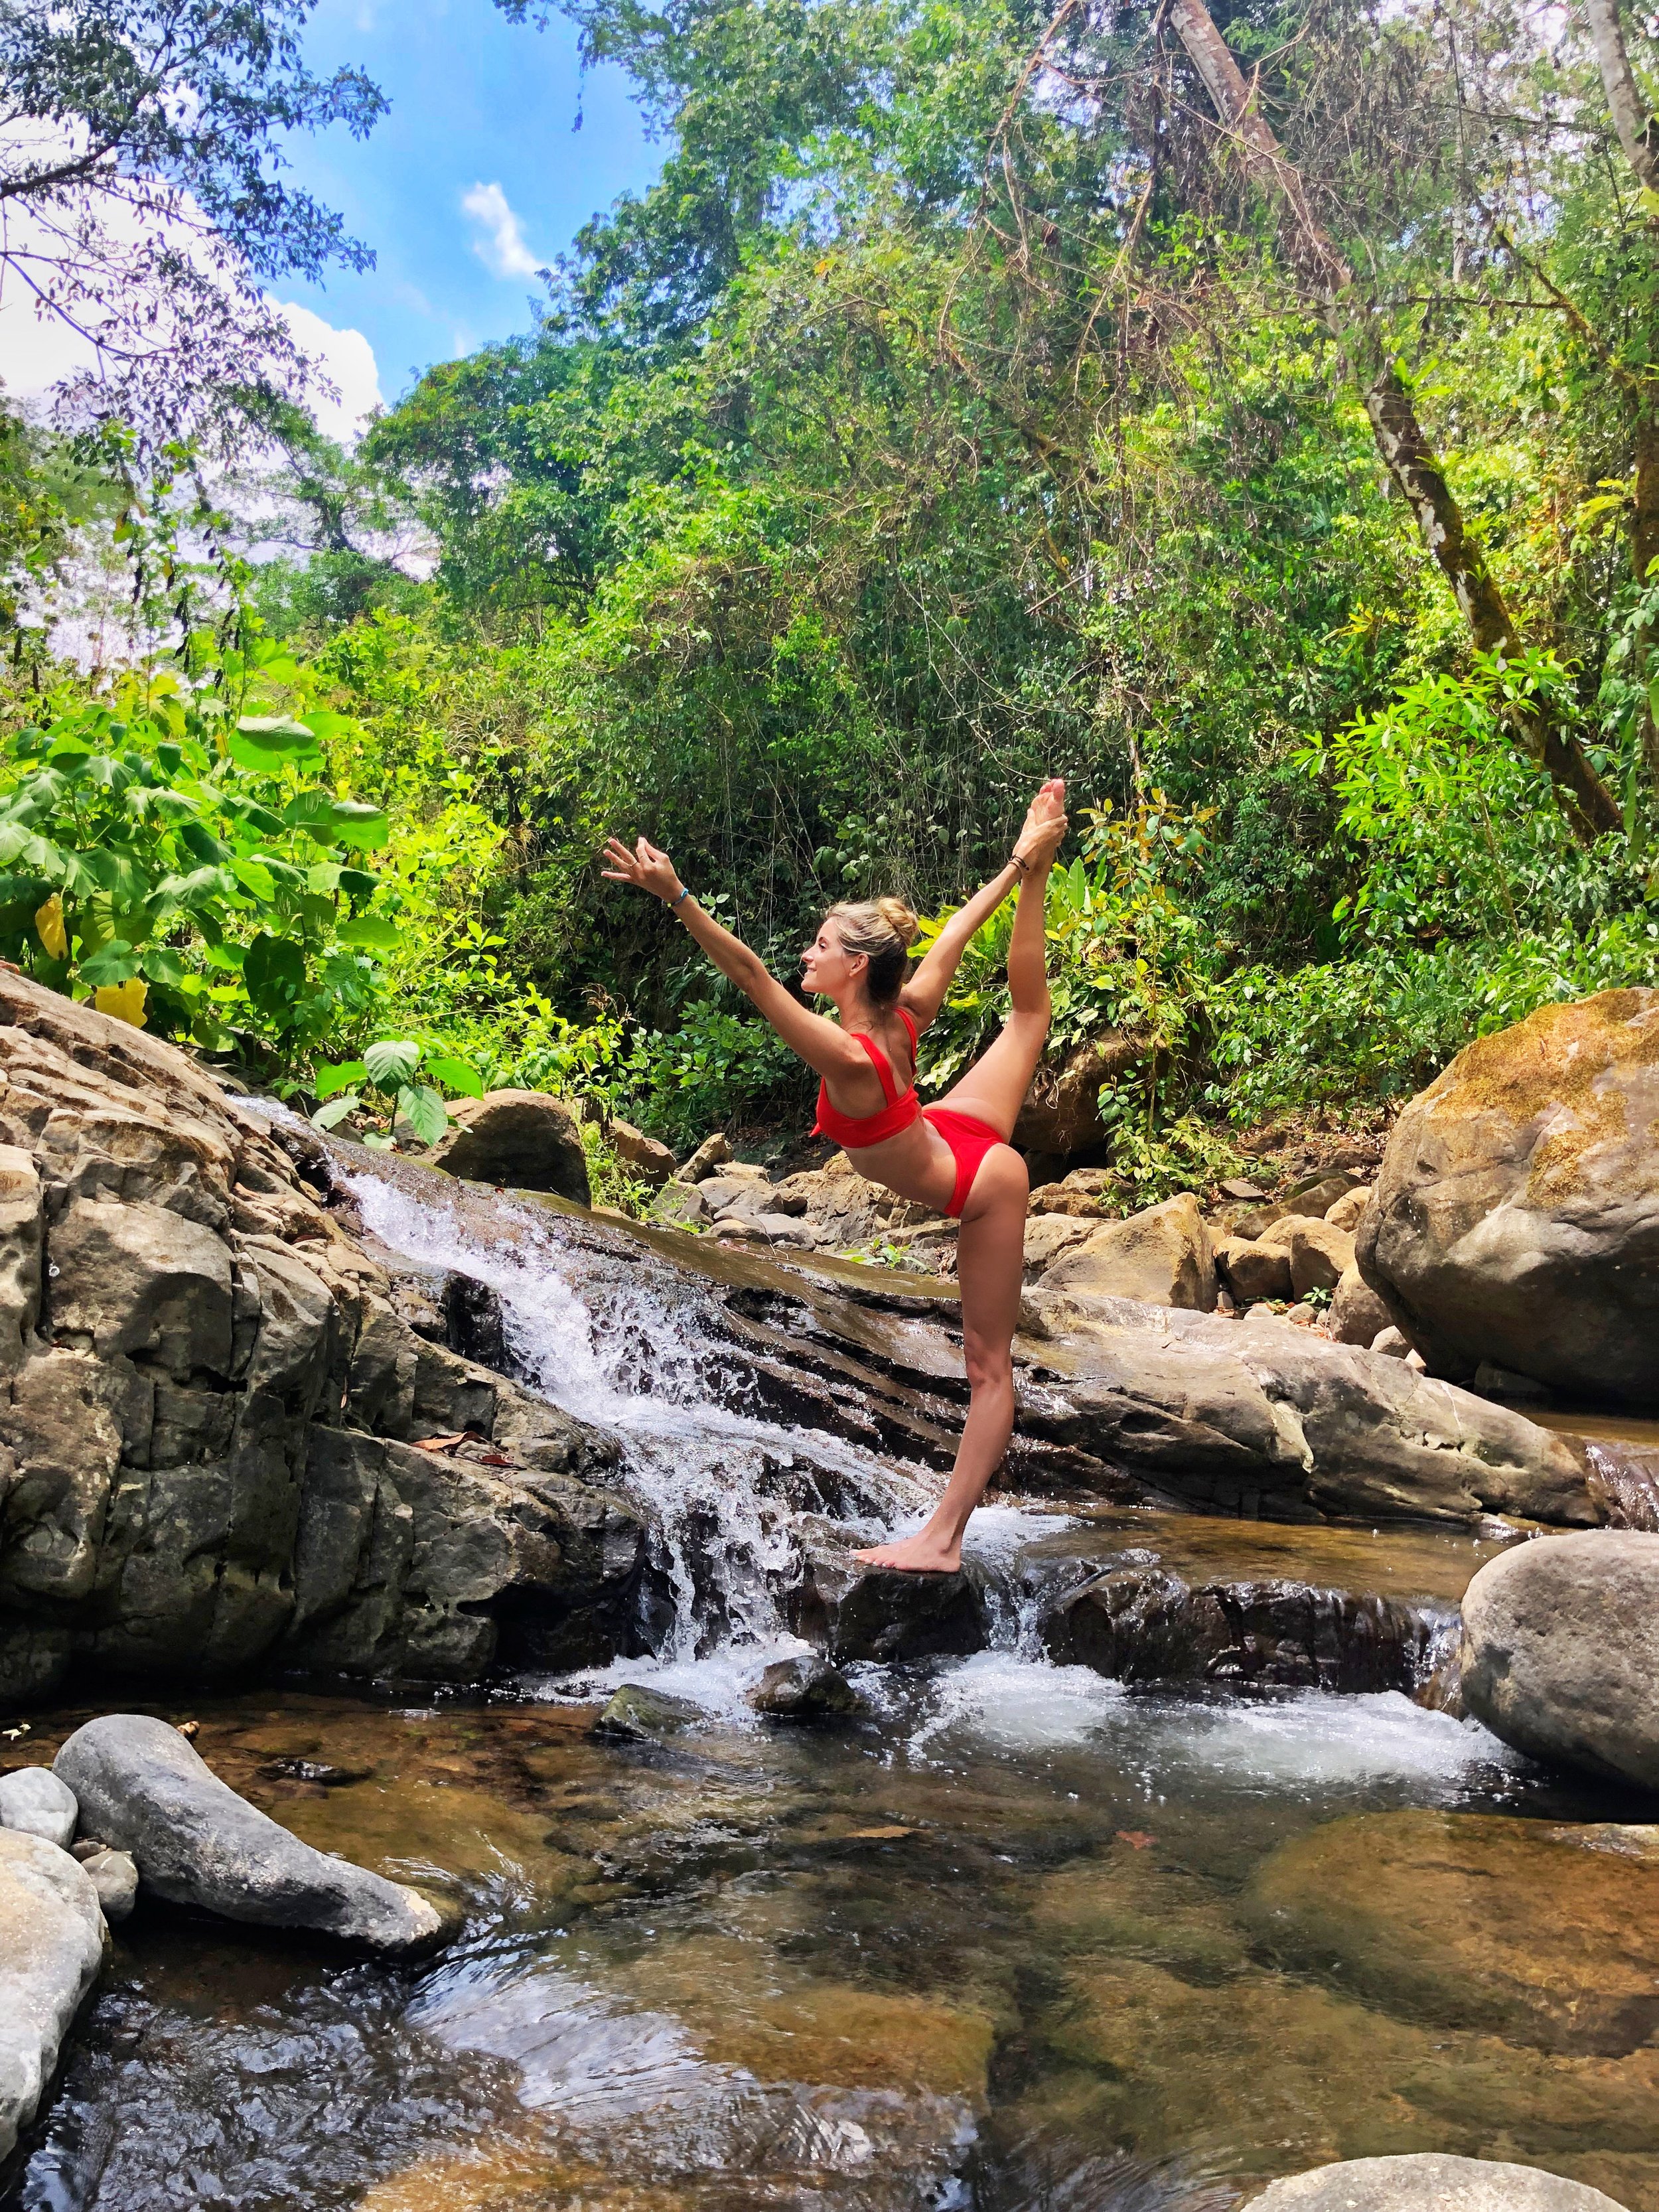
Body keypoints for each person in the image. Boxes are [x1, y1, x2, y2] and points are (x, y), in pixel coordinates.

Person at [601, 778, 1068, 1573]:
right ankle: (1043, 872)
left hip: (979, 1182)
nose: (806, 956)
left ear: (855, 966)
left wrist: (677, 893)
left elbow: (751, 977)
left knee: (988, 1369)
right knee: (1028, 1015)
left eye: (820, 947)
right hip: (949, 1128)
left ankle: (943, 1541)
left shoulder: (850, 1057)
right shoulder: (904, 1012)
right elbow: (959, 924)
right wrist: (1026, 860)